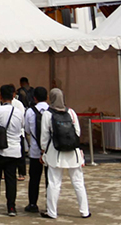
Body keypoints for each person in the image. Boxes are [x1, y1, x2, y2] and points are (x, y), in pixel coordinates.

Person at [39, 88, 90, 220]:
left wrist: (43, 151)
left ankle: (52, 212)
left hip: (55, 153)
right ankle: (84, 211)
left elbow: (44, 136)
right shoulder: (71, 112)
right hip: (73, 153)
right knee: (78, 182)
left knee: (54, 183)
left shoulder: (47, 114)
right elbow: (77, 132)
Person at [0, 84, 24, 217]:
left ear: (0, 96)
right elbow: (22, 127)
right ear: (13, 96)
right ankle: (11, 207)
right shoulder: (19, 112)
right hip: (14, 150)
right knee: (11, 179)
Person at [24, 86, 49, 213]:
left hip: (35, 150)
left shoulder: (30, 111)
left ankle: (33, 204)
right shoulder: (52, 110)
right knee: (50, 179)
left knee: (34, 178)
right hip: (50, 151)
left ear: (34, 98)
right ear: (47, 97)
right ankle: (51, 205)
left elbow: (27, 130)